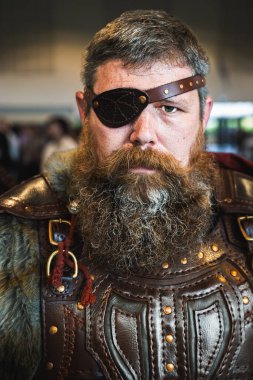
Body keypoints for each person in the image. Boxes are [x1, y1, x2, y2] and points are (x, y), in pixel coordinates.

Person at [0, 9, 253, 380]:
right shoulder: (15, 233)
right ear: (85, 112)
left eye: (170, 108)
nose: (143, 134)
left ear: (204, 116)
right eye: (118, 108)